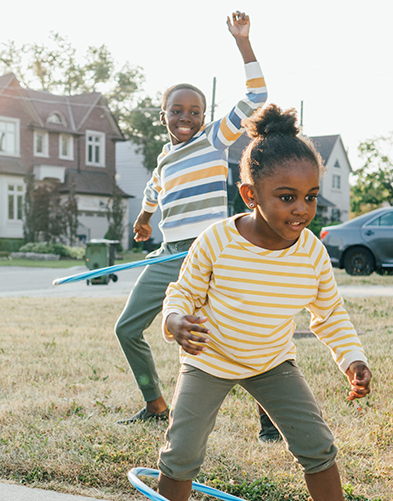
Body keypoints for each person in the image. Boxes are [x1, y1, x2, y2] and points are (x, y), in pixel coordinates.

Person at [127, 104, 376, 501]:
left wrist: (353, 359)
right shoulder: (217, 240)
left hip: (271, 362)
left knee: (318, 447)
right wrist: (175, 319)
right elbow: (181, 292)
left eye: (309, 197)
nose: (301, 209)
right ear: (250, 193)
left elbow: (328, 315)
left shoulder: (311, 253)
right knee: (180, 453)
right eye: (286, 197)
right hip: (210, 360)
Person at [114, 10, 278, 443]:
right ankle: (154, 404)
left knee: (241, 329)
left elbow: (257, 93)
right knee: (127, 328)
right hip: (170, 255)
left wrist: (243, 41)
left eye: (194, 111)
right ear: (163, 114)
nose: (185, 116)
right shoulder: (164, 159)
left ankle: (269, 420)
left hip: (211, 251)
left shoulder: (212, 140)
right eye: (177, 110)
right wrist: (145, 220)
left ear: (204, 116)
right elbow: (153, 189)